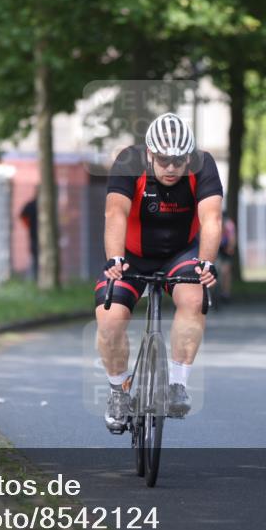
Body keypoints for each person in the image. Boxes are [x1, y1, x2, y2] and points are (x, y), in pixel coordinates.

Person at [95, 112, 223, 434]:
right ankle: (117, 391)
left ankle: (178, 384)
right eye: (164, 160)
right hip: (132, 255)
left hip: (180, 253)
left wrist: (206, 262)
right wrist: (115, 258)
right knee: (110, 318)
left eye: (178, 161)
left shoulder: (203, 164)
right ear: (149, 153)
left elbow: (211, 219)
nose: (170, 168)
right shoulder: (129, 161)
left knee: (194, 298)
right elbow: (115, 212)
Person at [217, 211, 237, 302]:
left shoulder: (230, 226)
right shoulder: (215, 224)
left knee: (226, 271)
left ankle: (226, 292)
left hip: (226, 248)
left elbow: (232, 240)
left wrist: (230, 249)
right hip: (217, 247)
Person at [19, 194, 39, 281]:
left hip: (34, 235)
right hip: (34, 235)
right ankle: (35, 277)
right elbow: (22, 215)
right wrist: (28, 226)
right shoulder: (31, 205)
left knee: (35, 256)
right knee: (35, 256)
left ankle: (36, 276)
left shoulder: (32, 204)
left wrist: (28, 226)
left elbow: (22, 216)